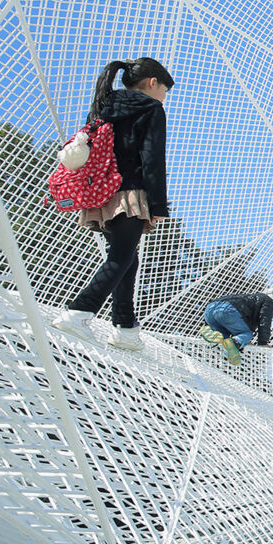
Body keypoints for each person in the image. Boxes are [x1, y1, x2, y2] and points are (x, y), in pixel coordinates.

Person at [50, 57, 174, 349]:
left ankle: (125, 328)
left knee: (126, 256)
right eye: (165, 91)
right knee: (120, 257)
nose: (164, 97)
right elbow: (152, 159)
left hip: (102, 194)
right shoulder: (151, 108)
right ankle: (80, 311)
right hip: (130, 193)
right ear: (153, 83)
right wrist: (157, 206)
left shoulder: (107, 105)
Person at [199, 290, 273, 365]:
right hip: (228, 311)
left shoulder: (249, 299)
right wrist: (263, 343)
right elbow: (264, 322)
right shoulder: (268, 301)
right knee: (247, 334)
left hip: (210, 309)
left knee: (223, 337)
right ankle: (235, 342)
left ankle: (209, 331)